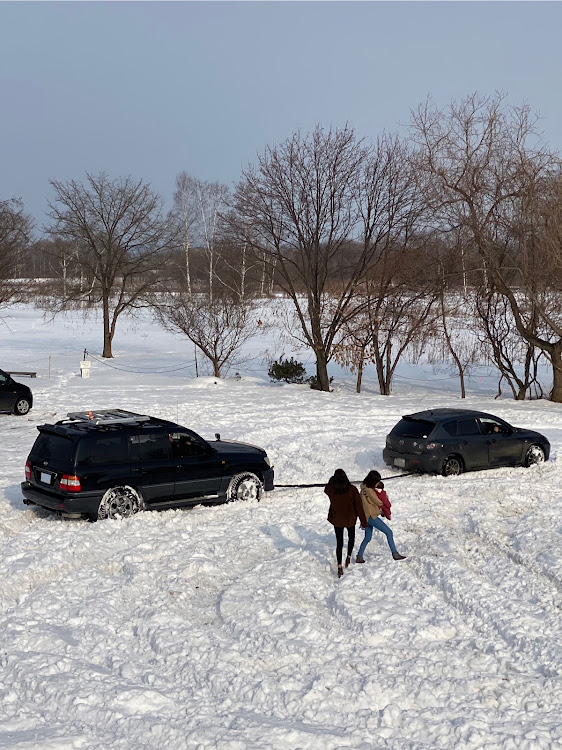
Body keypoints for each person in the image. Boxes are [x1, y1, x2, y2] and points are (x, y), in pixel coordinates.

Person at [324, 468, 367, 578]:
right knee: (351, 537)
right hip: (350, 519)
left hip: (337, 519)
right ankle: (348, 556)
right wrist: (363, 521)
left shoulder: (332, 490)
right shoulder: (352, 489)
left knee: (339, 543)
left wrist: (333, 478)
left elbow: (326, 488)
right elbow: (359, 506)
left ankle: (339, 566)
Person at [356, 470, 406, 562]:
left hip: (366, 516)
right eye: (377, 481)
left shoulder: (363, 488)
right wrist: (384, 499)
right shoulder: (370, 491)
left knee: (367, 537)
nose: (378, 483)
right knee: (389, 532)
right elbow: (379, 502)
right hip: (371, 516)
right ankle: (395, 554)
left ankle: (359, 556)